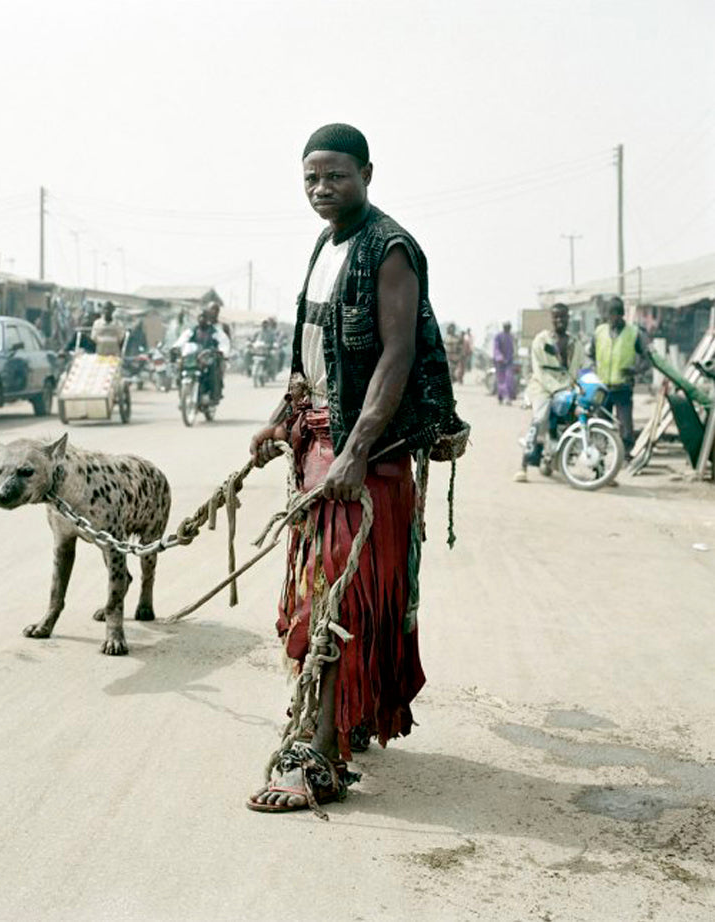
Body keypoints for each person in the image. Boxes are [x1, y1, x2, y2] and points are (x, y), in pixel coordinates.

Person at [247, 123, 462, 815]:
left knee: (340, 598)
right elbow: (311, 351)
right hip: (318, 447)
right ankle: (346, 721)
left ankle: (321, 753)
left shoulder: (389, 248)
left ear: (368, 172)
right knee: (321, 590)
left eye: (335, 175)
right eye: (310, 177)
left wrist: (356, 449)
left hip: (361, 457)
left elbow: (396, 355)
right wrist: (281, 418)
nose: (321, 188)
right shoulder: (324, 244)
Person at [514, 303, 585, 482]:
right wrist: (558, 387)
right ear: (552, 319)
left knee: (580, 414)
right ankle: (523, 465)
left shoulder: (575, 343)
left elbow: (576, 367)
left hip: (566, 386)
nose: (560, 320)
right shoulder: (541, 340)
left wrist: (574, 386)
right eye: (556, 317)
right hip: (542, 387)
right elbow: (539, 370)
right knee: (541, 417)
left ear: (569, 317)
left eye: (563, 316)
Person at [587, 296, 647, 458]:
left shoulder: (634, 333)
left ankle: (626, 454)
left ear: (622, 315)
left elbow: (647, 358)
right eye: (609, 315)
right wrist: (593, 371)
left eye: (616, 315)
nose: (612, 318)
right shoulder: (599, 332)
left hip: (623, 387)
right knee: (601, 422)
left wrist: (635, 370)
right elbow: (590, 354)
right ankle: (599, 455)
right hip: (602, 387)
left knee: (625, 425)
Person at [173, 308, 229, 401]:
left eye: (204, 317)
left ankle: (212, 396)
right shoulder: (192, 330)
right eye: (200, 317)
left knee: (213, 371)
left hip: (207, 358)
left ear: (208, 319)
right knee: (180, 368)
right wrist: (175, 348)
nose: (202, 319)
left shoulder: (215, 331)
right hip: (193, 358)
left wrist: (222, 352)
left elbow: (224, 342)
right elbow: (182, 340)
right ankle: (182, 393)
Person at [492, 322, 518, 404]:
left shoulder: (511, 336)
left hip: (509, 362)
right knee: (501, 380)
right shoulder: (498, 336)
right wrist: (499, 357)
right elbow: (496, 348)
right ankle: (502, 396)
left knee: (509, 379)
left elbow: (513, 349)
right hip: (500, 362)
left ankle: (508, 397)